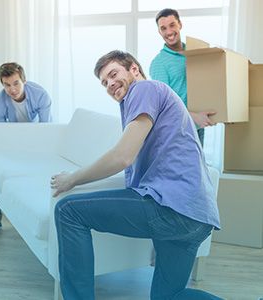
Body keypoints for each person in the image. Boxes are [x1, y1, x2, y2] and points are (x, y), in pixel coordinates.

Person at [51, 50, 222, 300]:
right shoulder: (152, 102)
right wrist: (160, 233)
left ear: (133, 69)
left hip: (172, 210)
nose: (110, 84)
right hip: (196, 218)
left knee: (68, 210)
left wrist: (72, 179)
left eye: (113, 74)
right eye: (104, 82)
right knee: (169, 296)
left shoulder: (144, 89)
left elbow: (122, 157)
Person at [0, 62, 52, 237]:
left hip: (39, 140)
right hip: (12, 141)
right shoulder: (0, 101)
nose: (12, 89)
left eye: (16, 83)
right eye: (7, 85)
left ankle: (40, 217)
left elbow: (46, 129)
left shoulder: (40, 95)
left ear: (24, 80)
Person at [150, 8, 216, 146]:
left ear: (180, 24)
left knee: (198, 166)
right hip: (178, 129)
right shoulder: (159, 63)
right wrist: (195, 117)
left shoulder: (196, 53)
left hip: (198, 126)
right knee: (184, 167)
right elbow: (164, 105)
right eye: (163, 28)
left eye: (172, 25)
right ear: (159, 32)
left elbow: (209, 82)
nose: (168, 32)